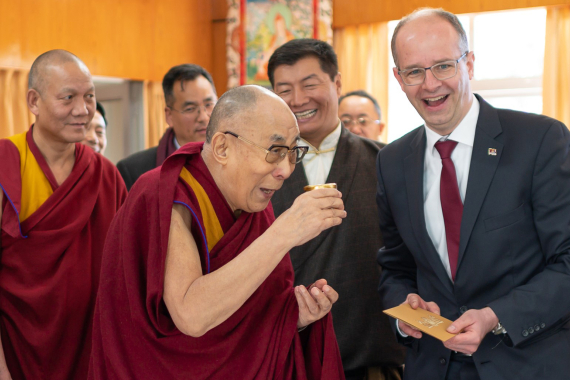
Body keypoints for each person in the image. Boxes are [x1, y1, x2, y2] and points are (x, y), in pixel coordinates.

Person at [88, 85, 347, 380]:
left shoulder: (250, 201)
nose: (285, 170)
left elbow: (249, 311)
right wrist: (284, 233)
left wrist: (295, 316)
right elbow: (191, 315)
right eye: (275, 151)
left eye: (292, 152)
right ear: (223, 147)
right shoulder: (166, 194)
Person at [376, 8, 570, 380]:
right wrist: (404, 310)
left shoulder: (540, 140)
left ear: (470, 64)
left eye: (444, 66)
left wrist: (495, 317)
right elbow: (395, 266)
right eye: (415, 71)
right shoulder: (392, 160)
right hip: (433, 366)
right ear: (399, 79)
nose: (430, 84)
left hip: (526, 363)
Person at [268, 39, 405, 380]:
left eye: (309, 84)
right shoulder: (259, 172)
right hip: (284, 357)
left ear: (337, 83)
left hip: (371, 356)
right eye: (284, 89)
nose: (298, 99)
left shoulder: (387, 162)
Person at [0, 50, 127, 380]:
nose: (82, 110)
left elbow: (125, 273)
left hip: (90, 353)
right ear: (34, 101)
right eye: (68, 97)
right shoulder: (5, 165)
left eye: (88, 97)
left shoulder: (106, 176)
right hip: (13, 353)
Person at [117, 64, 217, 190]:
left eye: (209, 104)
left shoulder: (236, 160)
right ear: (169, 116)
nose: (203, 117)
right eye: (190, 108)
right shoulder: (134, 170)